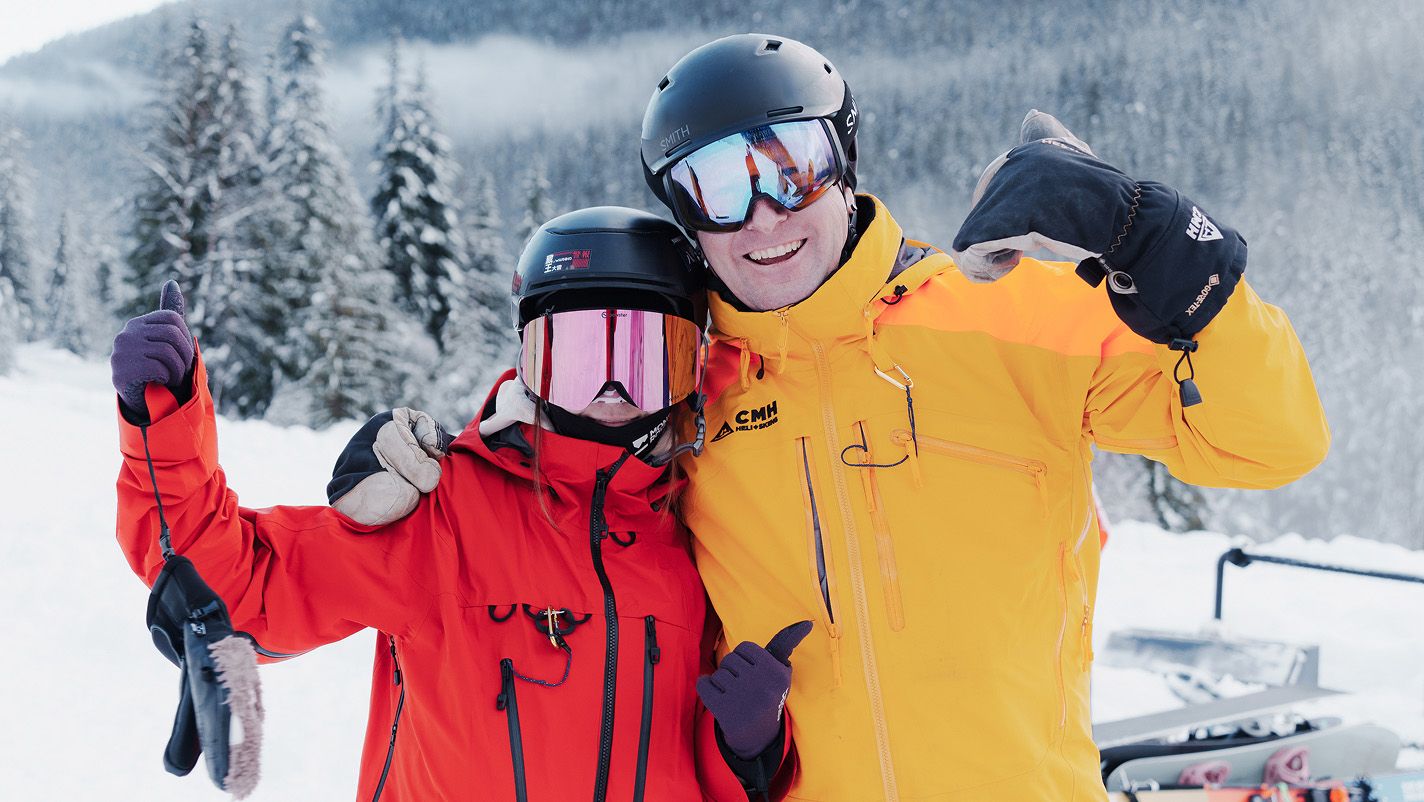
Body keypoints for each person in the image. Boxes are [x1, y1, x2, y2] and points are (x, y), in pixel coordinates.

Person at [334, 35, 1330, 801]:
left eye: (790, 165)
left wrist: (1165, 252)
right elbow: (554, 505)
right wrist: (444, 470)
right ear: (683, 214)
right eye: (717, 188)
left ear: (841, 157)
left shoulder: (1008, 316)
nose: (763, 215)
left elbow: (1269, 440)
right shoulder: (680, 386)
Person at [111, 207, 807, 801]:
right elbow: (238, 590)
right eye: (580, 355)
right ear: (531, 362)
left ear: (690, 372)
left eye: (646, 357)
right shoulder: (447, 515)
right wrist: (164, 422)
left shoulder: (701, 535)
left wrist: (748, 746)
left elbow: (693, 776)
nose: (611, 391)